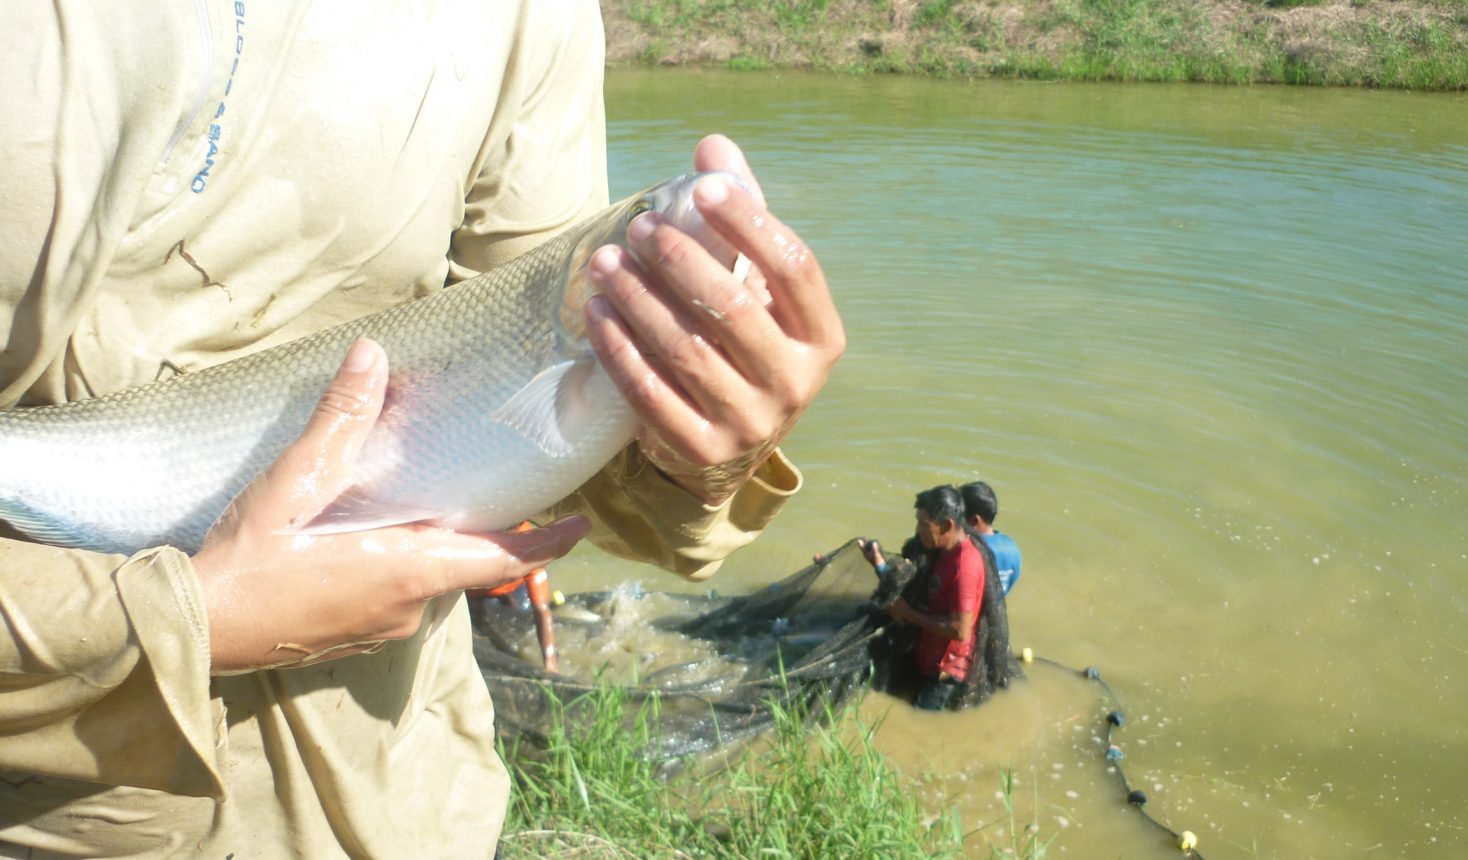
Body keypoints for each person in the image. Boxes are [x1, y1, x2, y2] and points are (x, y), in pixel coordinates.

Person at [0, 3, 843, 857]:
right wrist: (186, 622)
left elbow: (550, 453)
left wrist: (694, 438)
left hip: (416, 811)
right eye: (647, 222)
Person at [863, 485, 1011, 711]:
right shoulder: (941, 549)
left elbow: (960, 630)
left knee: (920, 723)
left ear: (947, 525)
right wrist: (879, 564)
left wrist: (907, 614)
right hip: (927, 656)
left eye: (924, 524)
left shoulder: (965, 567)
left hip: (946, 675)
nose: (918, 530)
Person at [960, 481, 1022, 596]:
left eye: (958, 515)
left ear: (974, 520)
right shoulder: (1012, 547)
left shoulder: (970, 549)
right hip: (998, 606)